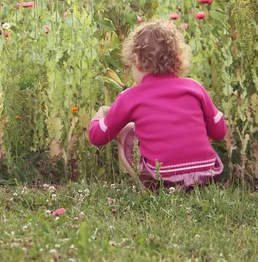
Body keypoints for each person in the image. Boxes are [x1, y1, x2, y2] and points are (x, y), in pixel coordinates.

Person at [88, 21, 226, 190]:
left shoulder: (130, 97)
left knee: (126, 131)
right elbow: (219, 131)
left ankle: (147, 191)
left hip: (163, 180)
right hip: (207, 176)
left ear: (138, 61)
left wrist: (100, 114)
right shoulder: (194, 88)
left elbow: (97, 137)